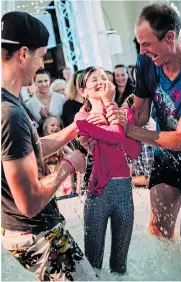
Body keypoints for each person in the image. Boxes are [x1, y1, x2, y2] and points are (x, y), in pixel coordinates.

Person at [105, 3, 181, 262]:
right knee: (159, 230)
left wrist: (130, 131)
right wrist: (116, 118)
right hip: (166, 158)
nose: (142, 51)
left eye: (147, 44)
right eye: (139, 44)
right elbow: (141, 114)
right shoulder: (147, 61)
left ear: (169, 37)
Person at [1, 11, 97, 281]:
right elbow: (29, 202)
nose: (42, 63)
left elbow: (27, 150)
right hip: (36, 233)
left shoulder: (8, 100)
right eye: (40, 55)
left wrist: (76, 126)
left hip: (21, 230)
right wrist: (70, 164)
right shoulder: (10, 113)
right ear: (23, 54)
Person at [74, 67, 141, 274]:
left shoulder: (124, 114)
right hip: (98, 193)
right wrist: (111, 113)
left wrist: (114, 119)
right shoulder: (82, 118)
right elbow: (116, 137)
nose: (100, 81)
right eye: (93, 79)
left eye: (103, 77)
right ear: (83, 91)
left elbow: (134, 151)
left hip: (124, 192)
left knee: (120, 266)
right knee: (92, 264)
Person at [42, 115, 74, 198]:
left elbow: (73, 156)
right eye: (52, 125)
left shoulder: (65, 145)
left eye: (58, 126)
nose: (56, 127)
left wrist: (62, 145)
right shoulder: (42, 143)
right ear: (46, 128)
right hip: (47, 183)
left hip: (63, 184)